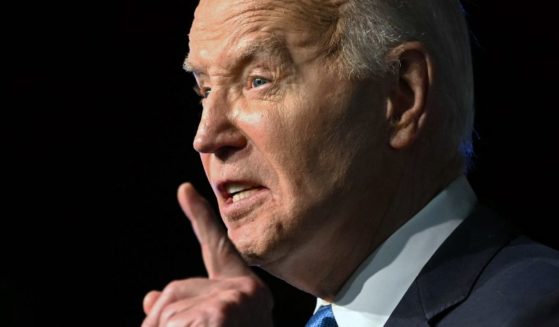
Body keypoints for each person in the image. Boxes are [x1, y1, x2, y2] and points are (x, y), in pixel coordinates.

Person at [141, 0, 559, 326]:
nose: (206, 137)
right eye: (204, 91)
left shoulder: (533, 311)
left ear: (401, 95)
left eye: (258, 80)